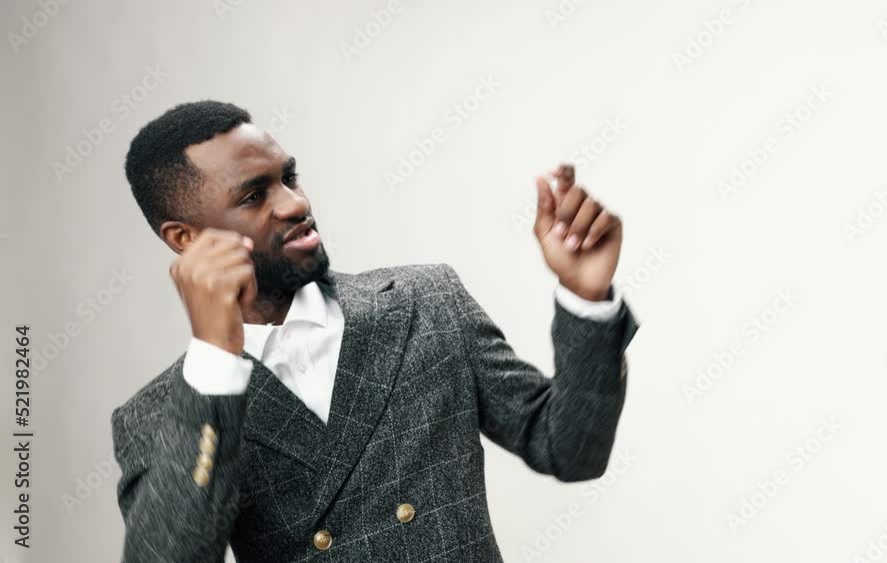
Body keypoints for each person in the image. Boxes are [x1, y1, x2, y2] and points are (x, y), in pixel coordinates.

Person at [111, 100, 639, 562]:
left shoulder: (426, 303)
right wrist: (215, 360)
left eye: (289, 178)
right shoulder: (161, 413)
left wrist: (585, 297)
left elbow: (571, 450)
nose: (295, 204)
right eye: (253, 196)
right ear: (186, 238)